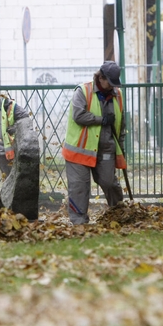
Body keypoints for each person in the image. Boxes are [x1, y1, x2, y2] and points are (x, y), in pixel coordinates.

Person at [62, 61, 127, 224]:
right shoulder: (83, 91)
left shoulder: (118, 94)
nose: (112, 87)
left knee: (109, 182)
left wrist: (121, 147)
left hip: (105, 148)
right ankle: (79, 222)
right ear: (101, 77)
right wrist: (101, 120)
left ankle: (120, 214)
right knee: (79, 187)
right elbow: (78, 115)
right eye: (109, 83)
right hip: (79, 150)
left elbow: (121, 123)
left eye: (114, 84)